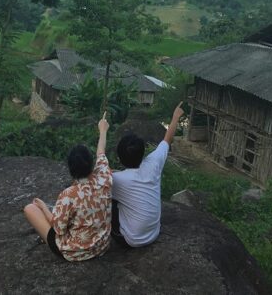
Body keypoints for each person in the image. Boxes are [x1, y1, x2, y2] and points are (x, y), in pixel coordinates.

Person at [23, 112, 112, 261]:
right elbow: (101, 152)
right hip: (102, 246)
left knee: (30, 209)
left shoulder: (68, 195)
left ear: (70, 168)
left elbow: (58, 229)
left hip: (76, 252)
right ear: (92, 164)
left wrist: (44, 208)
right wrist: (103, 130)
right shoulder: (105, 177)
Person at [111, 102, 185, 248]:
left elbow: (99, 177)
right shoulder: (153, 163)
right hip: (154, 234)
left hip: (130, 240)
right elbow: (167, 139)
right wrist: (176, 116)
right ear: (142, 153)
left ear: (119, 158)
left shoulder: (116, 180)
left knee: (109, 200)